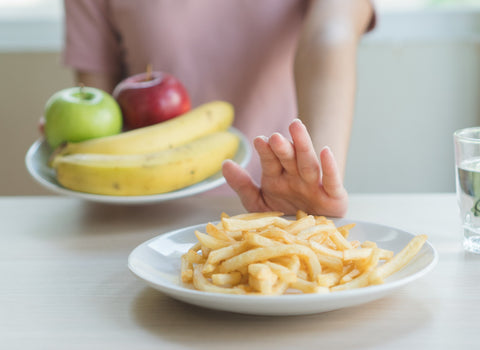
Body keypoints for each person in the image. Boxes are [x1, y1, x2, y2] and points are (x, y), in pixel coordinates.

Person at [62, 0, 376, 217]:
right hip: (140, 212)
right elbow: (96, 100)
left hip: (282, 209)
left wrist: (317, 184)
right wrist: (77, 141)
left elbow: (331, 35)